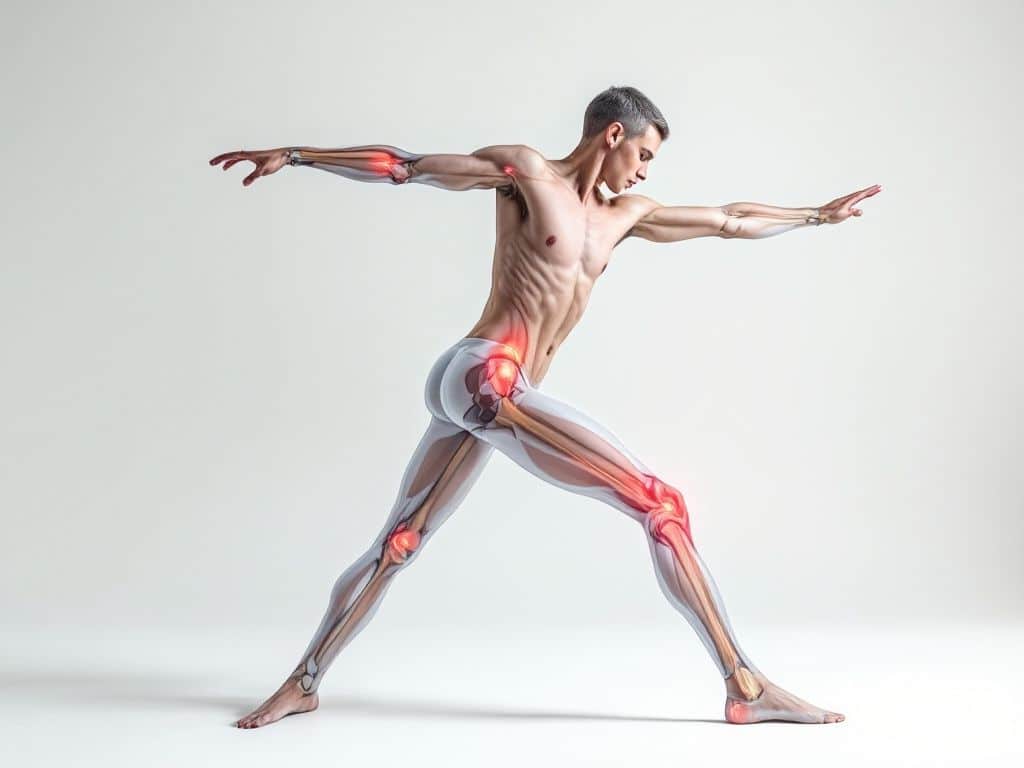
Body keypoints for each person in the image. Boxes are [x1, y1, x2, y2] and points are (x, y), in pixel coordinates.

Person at [209, 85, 880, 729]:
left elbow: (729, 219)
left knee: (399, 543)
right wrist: (295, 155)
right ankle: (746, 688)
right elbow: (406, 167)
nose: (645, 171)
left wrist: (815, 215)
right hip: (487, 375)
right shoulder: (527, 173)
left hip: (483, 389)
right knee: (662, 506)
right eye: (644, 154)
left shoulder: (625, 216)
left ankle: (303, 685)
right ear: (613, 135)